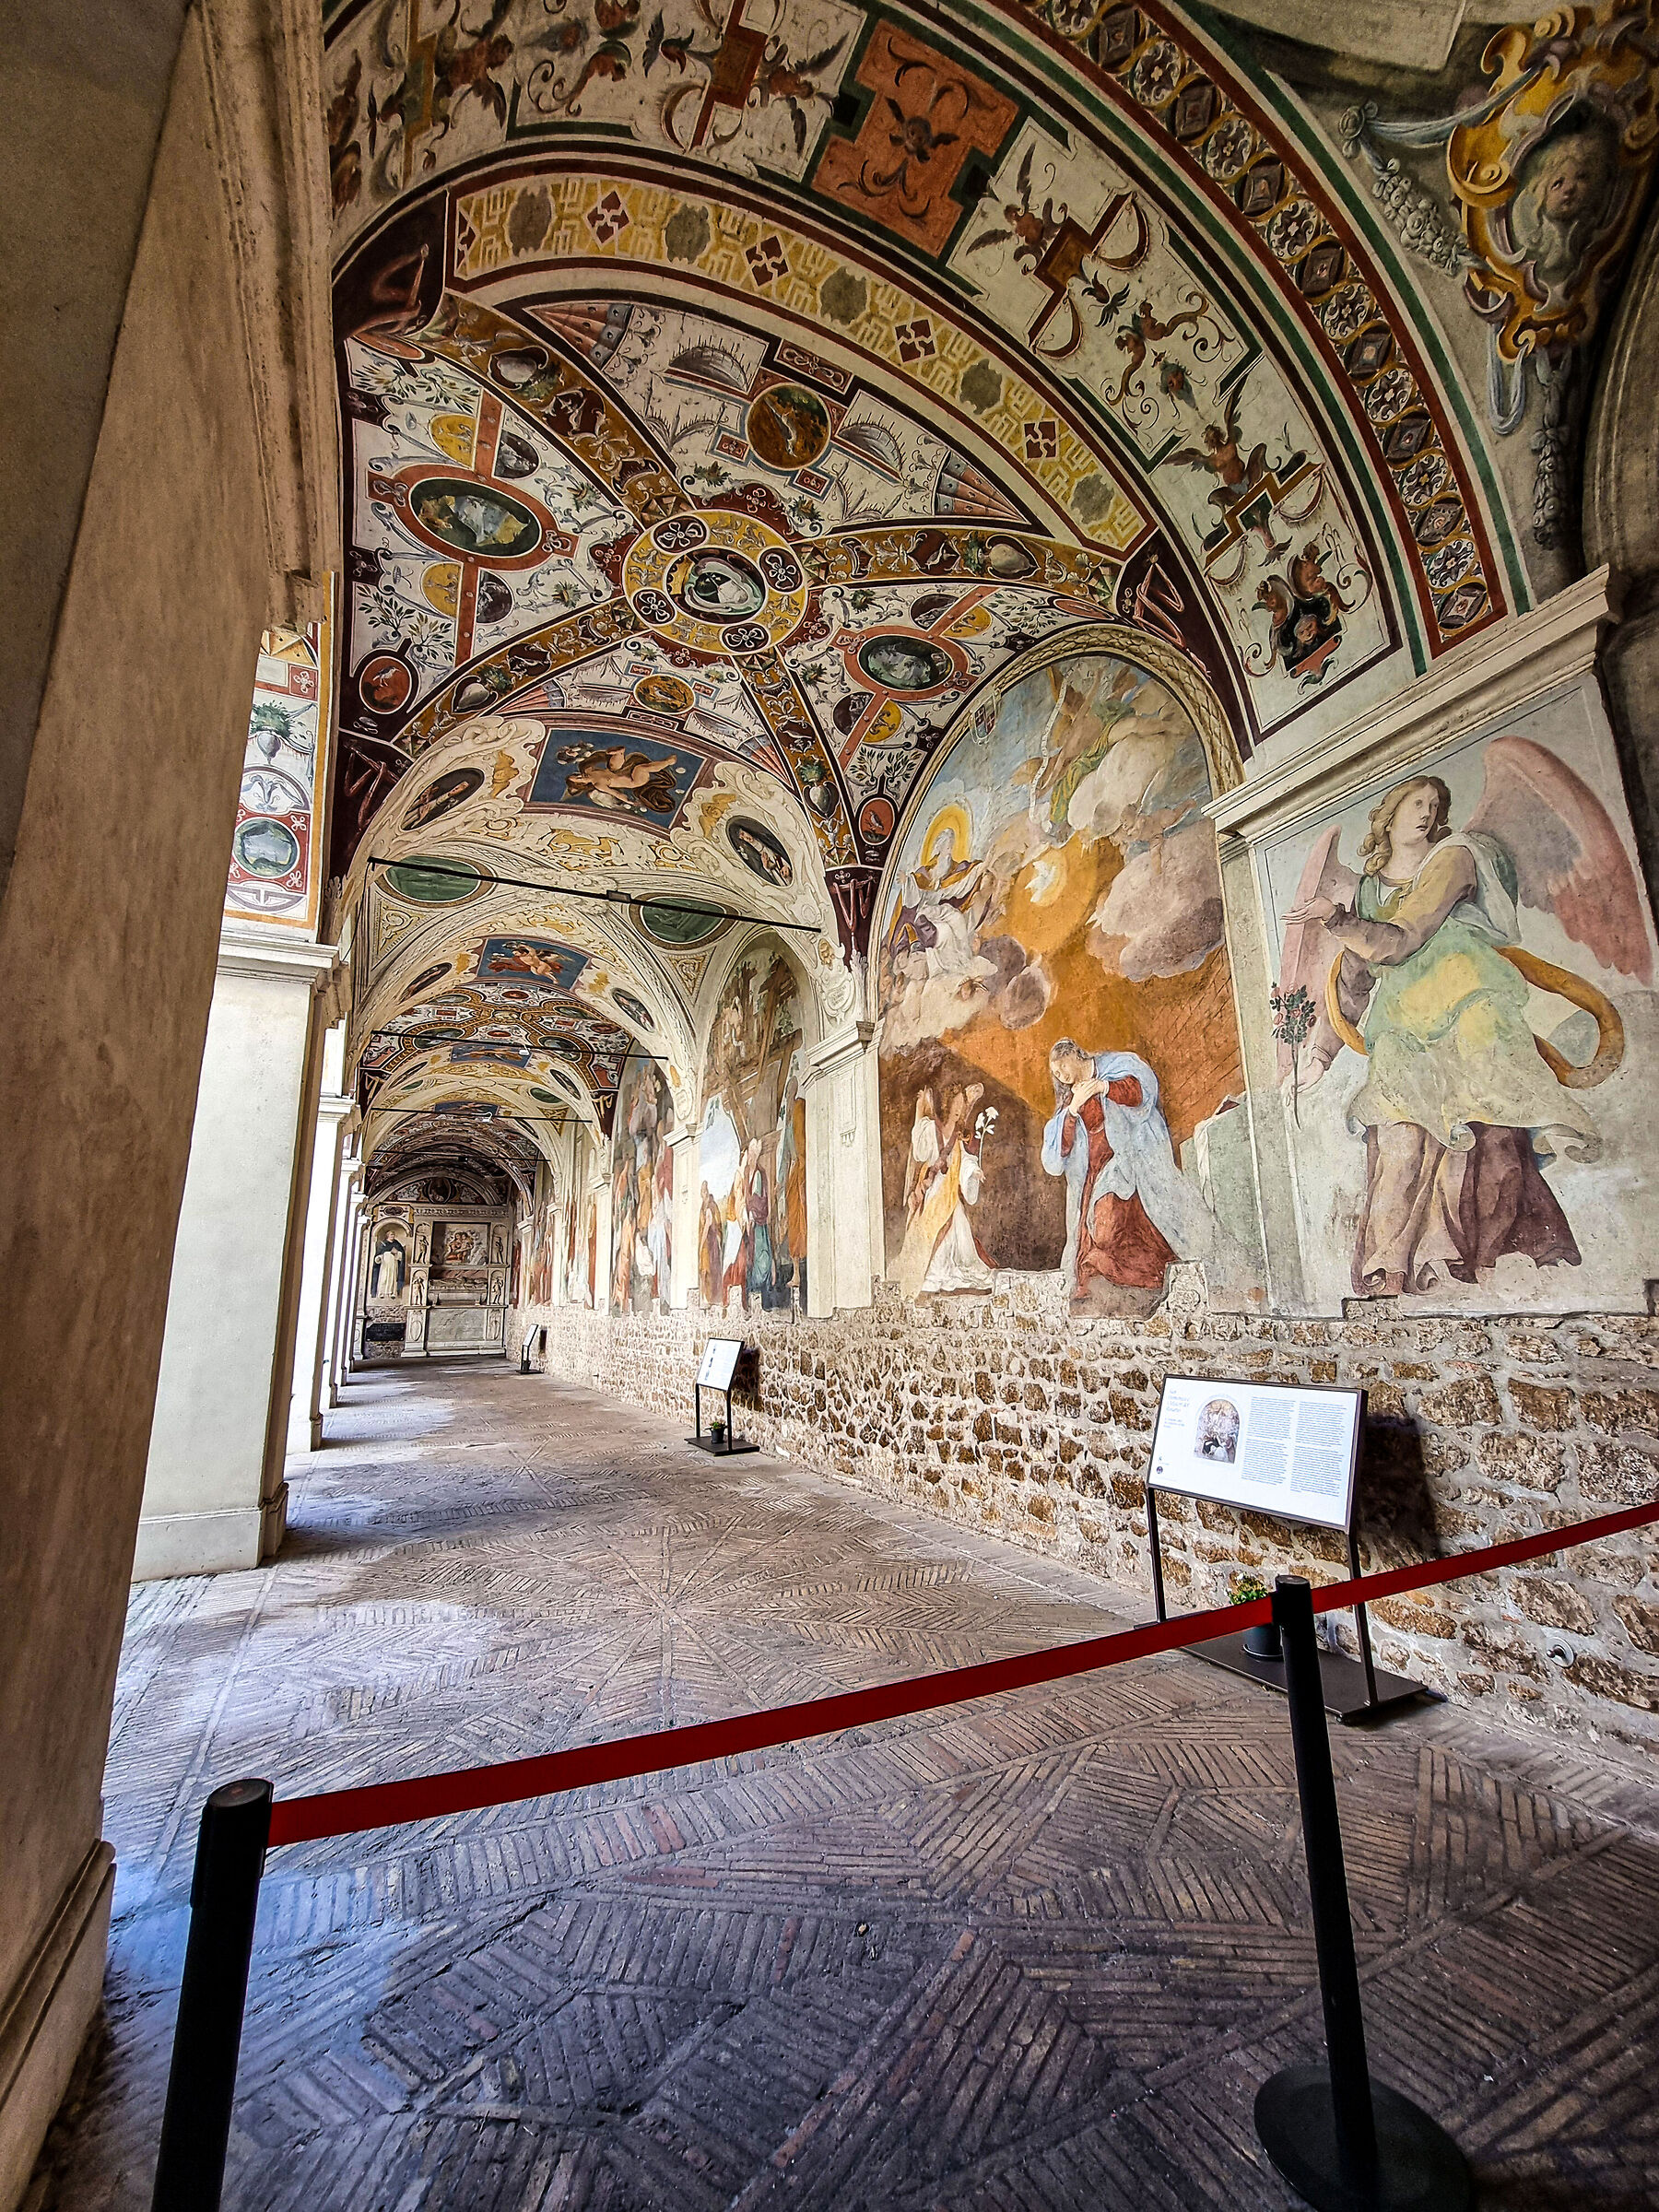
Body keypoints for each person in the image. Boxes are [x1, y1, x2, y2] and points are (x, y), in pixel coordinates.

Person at [1285, 774, 1596, 1296]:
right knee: (1400, 1143)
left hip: (1467, 1002)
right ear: (1389, 811)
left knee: (1484, 1136)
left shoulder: (1454, 857)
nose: (1427, 813)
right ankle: (1397, 1266)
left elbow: (1403, 939)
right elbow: (1357, 979)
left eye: (1436, 804)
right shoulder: (1367, 888)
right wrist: (1321, 1051)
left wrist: (1337, 921)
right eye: (1415, 802)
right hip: (1402, 1024)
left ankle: (1474, 1260)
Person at [1041, 1038, 1213, 1308]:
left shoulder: (1116, 1065)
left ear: (1075, 1054)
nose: (1061, 1076)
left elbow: (1142, 1093)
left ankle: (1148, 1278)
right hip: (1093, 1172)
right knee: (1095, 1232)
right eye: (1056, 1074)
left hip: (1129, 1159)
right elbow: (1056, 1152)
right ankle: (1110, 1282)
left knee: (1111, 1224)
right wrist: (1073, 1110)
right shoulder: (1069, 1101)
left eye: (1062, 1068)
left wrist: (1104, 1087)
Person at [893, 1087, 994, 1296]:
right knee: (934, 1233)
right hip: (933, 1194)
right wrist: (919, 1113)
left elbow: (963, 1158)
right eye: (955, 1105)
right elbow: (920, 1151)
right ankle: (934, 1273)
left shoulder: (957, 1137)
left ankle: (957, 1271)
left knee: (959, 1230)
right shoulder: (931, 1129)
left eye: (961, 1105)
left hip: (949, 1194)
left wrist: (973, 1170)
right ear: (946, 1107)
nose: (958, 1109)